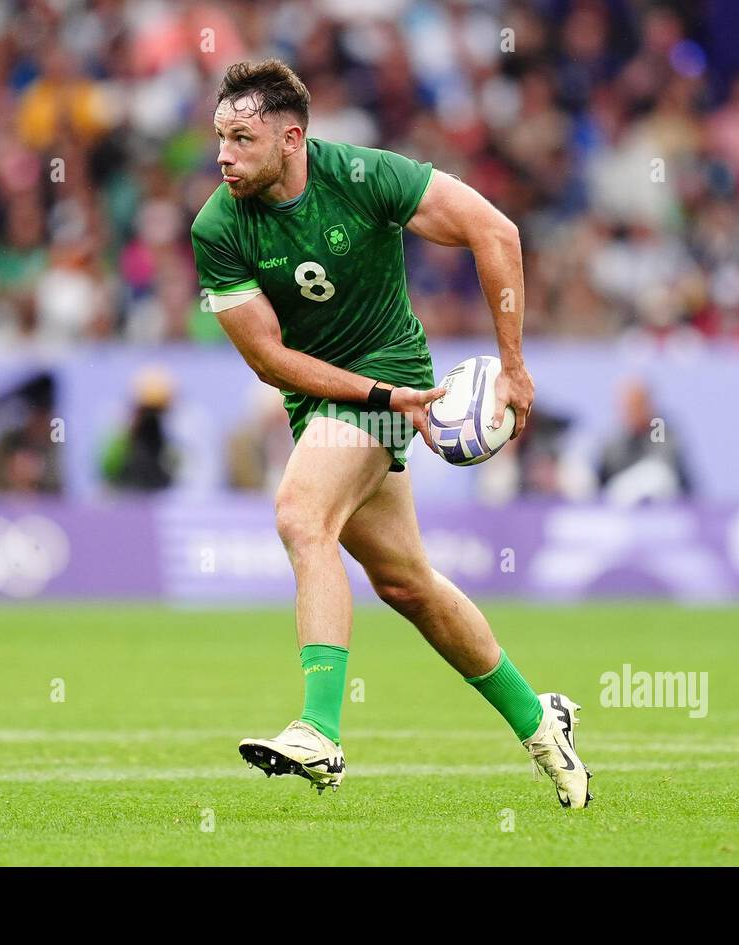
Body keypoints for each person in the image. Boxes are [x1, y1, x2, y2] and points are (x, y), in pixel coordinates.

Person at [190, 59, 590, 808]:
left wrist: (513, 369)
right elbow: (270, 358)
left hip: (391, 367)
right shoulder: (217, 226)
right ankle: (543, 722)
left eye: (242, 139)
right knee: (408, 584)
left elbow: (492, 230)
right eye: (219, 138)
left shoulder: (365, 176)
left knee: (300, 515)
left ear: (291, 137)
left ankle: (319, 732)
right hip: (340, 395)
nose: (224, 155)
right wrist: (381, 396)